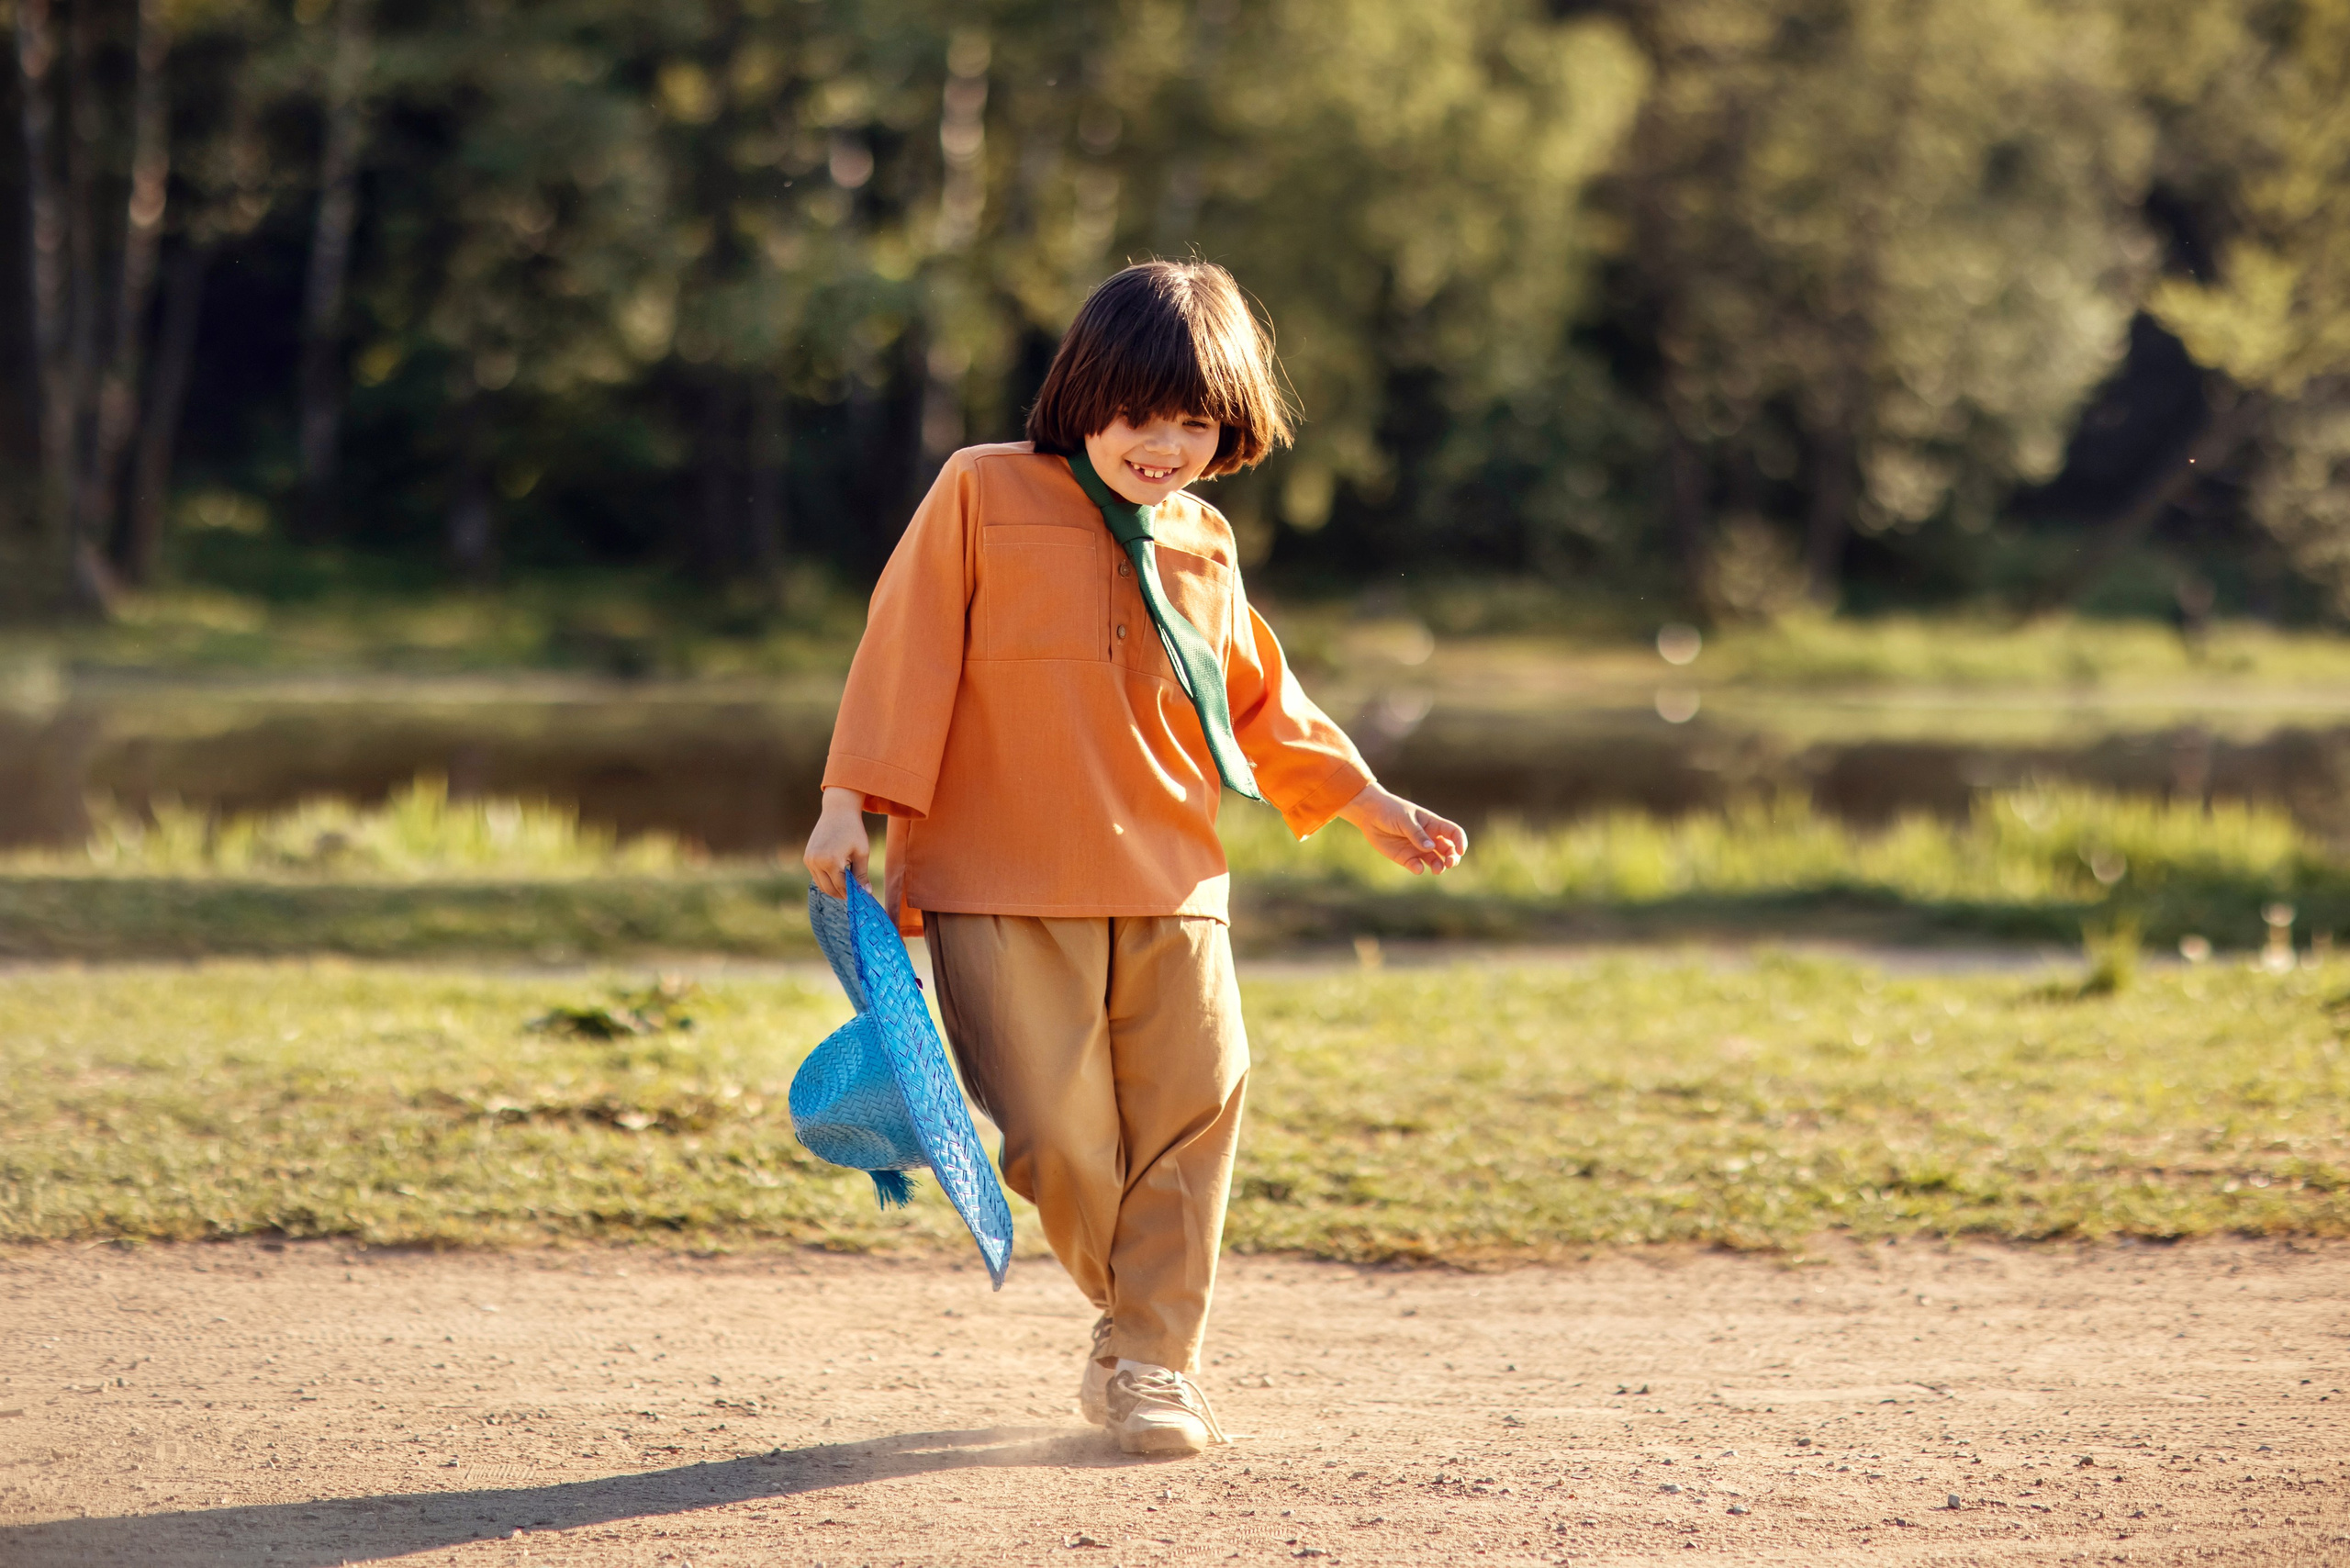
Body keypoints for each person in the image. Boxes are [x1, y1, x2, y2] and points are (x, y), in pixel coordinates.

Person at [802, 259, 1466, 1456]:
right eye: (1138, 414)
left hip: (1175, 883)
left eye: (1193, 422)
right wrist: (849, 798)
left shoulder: (1203, 539)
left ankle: (1154, 1360)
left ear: (1228, 431)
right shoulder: (980, 492)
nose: (1161, 445)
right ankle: (1135, 1314)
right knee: (1052, 1135)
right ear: (1082, 395)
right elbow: (902, 650)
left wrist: (1364, 798)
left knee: (1194, 1108)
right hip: (999, 881)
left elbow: (1262, 698)